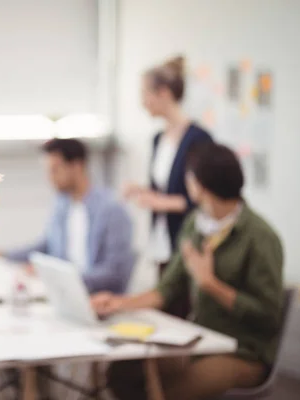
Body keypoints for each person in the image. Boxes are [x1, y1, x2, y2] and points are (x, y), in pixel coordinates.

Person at [92, 142, 284, 400]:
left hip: (245, 353)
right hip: (200, 343)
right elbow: (167, 289)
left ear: (200, 185)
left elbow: (269, 316)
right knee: (123, 372)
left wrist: (211, 285)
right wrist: (118, 303)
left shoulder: (260, 237)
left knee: (170, 392)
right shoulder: (196, 225)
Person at [124, 55, 212, 318]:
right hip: (161, 241)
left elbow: (203, 198)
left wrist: (160, 203)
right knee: (165, 310)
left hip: (187, 240)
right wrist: (142, 192)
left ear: (163, 93)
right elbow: (165, 190)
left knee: (181, 310)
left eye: (145, 94)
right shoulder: (158, 139)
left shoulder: (198, 139)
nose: (142, 102)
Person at [0, 138, 135, 294]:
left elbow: (115, 273)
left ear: (77, 166)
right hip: (65, 293)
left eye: (55, 170)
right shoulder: (62, 205)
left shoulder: (112, 209)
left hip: (98, 298)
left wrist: (58, 278)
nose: (50, 178)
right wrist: (4, 255)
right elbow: (46, 245)